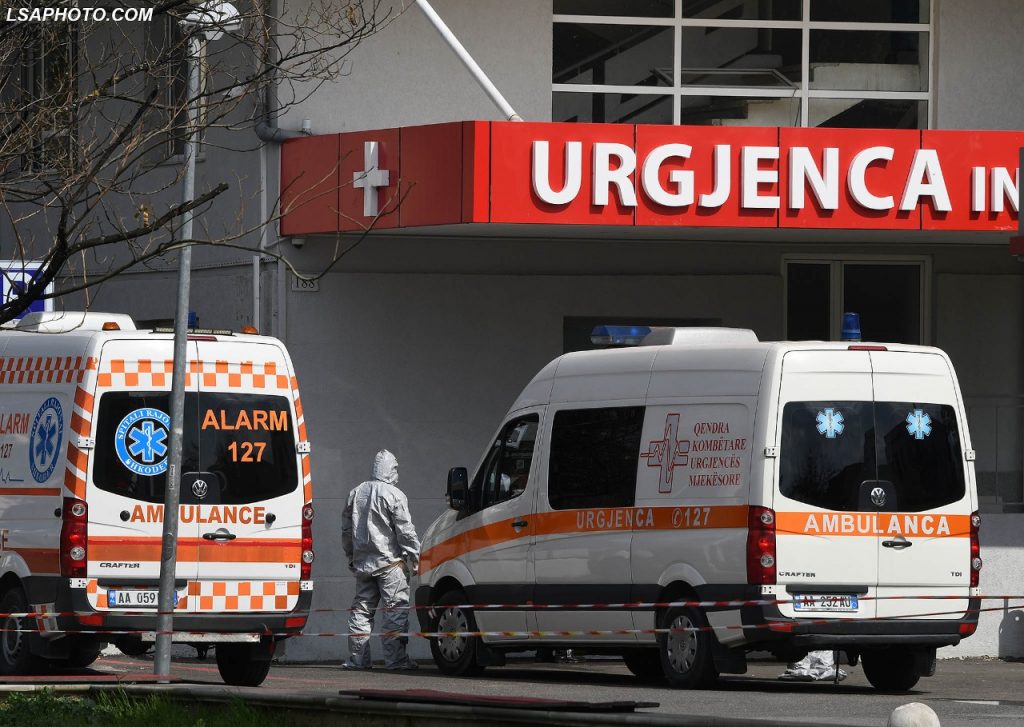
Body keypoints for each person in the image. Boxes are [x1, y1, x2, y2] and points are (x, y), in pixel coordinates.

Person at [341, 449, 421, 670]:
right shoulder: (395, 494)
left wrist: (351, 556)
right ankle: (396, 660)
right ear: (391, 469)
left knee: (361, 612)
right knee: (395, 611)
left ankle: (358, 660)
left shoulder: (356, 492)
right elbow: (405, 531)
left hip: (363, 565)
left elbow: (346, 531)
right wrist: (415, 555)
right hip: (390, 564)